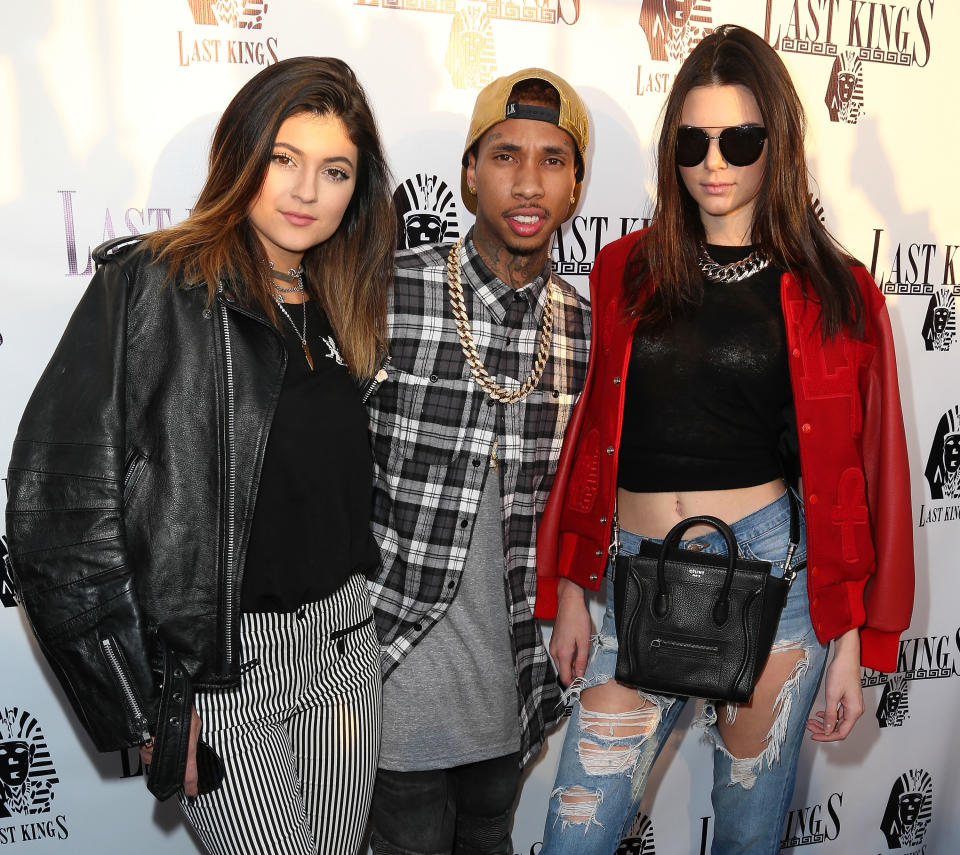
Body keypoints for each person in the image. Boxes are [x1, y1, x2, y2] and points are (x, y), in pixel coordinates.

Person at [535, 25, 914, 855]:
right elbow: (594, 433)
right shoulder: (623, 270)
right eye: (694, 141)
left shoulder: (837, 291)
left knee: (745, 838)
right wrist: (571, 584)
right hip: (635, 574)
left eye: (740, 140)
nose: (715, 162)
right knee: (573, 837)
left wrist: (850, 640)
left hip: (770, 582)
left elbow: (856, 476)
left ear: (776, 144)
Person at [5, 56, 394, 855]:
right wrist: (144, 705)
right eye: (284, 158)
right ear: (243, 155)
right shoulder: (154, 285)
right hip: (221, 675)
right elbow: (57, 512)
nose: (306, 190)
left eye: (335, 170)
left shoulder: (341, 300)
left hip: (347, 652)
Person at [365, 68, 591, 855]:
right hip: (395, 667)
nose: (528, 181)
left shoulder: (585, 330)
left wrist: (573, 594)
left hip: (516, 674)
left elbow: (586, 493)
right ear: (468, 173)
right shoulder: (387, 295)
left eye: (553, 160)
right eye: (504, 155)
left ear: (575, 186)